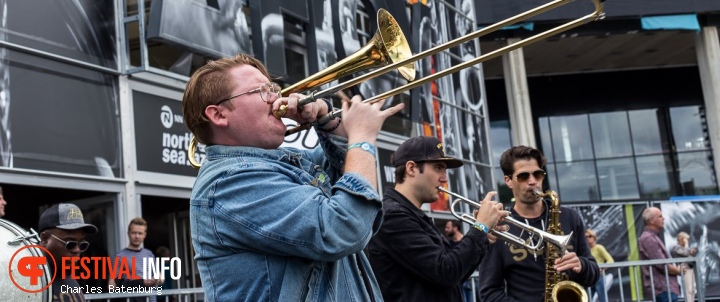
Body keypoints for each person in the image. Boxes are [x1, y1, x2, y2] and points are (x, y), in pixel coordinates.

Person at [182, 53, 404, 301]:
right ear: (219, 115)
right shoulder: (229, 182)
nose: (277, 97)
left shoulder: (286, 161)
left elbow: (361, 207)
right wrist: (361, 139)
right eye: (261, 91)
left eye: (273, 88)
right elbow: (344, 228)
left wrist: (328, 123)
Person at [367, 135, 508, 301]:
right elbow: (446, 271)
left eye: (445, 170)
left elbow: (453, 277)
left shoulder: (412, 214)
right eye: (438, 168)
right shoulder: (392, 216)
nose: (444, 178)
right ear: (411, 168)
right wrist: (480, 228)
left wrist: (484, 237)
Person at [479, 146, 599, 302]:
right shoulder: (499, 227)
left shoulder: (570, 217)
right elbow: (488, 293)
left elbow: (593, 273)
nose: (532, 181)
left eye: (538, 174)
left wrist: (581, 266)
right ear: (508, 181)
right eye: (523, 176)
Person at [38, 203, 98, 302]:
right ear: (44, 239)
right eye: (70, 244)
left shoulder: (68, 276)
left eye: (82, 244)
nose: (77, 250)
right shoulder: (26, 282)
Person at [109, 217, 161, 302]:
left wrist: (159, 279)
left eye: (140, 233)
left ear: (145, 235)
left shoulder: (149, 254)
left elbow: (157, 276)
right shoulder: (120, 256)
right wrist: (138, 283)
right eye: (134, 233)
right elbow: (111, 286)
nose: (137, 236)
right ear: (128, 233)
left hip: (151, 299)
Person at [638, 207, 683, 302]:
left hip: (665, 288)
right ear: (651, 221)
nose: (663, 218)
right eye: (660, 216)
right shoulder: (648, 238)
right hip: (663, 288)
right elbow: (662, 264)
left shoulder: (652, 236)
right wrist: (678, 271)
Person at [586, 229, 614, 302]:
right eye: (585, 237)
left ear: (594, 237)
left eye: (589, 236)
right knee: (588, 299)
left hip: (598, 277)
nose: (587, 238)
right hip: (589, 278)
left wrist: (601, 268)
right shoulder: (586, 249)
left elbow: (610, 260)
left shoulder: (599, 247)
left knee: (602, 299)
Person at [671, 231, 698, 302]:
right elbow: (685, 253)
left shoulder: (685, 248)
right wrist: (686, 245)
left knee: (692, 289)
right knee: (688, 290)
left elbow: (690, 255)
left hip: (690, 268)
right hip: (684, 269)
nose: (687, 241)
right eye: (686, 239)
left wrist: (694, 251)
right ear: (682, 239)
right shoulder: (676, 248)